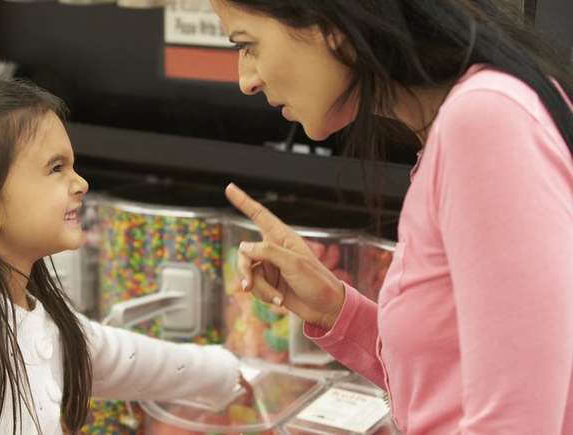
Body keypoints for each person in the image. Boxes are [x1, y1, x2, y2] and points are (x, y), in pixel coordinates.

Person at [210, 0, 573, 433]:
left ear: (331, 23)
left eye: (248, 45)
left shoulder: (483, 123)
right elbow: (448, 390)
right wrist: (337, 310)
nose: (246, 80)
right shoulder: (470, 119)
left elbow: (516, 423)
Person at [0, 79, 244, 435]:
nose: (81, 184)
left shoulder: (35, 312)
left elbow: (127, 359)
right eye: (56, 169)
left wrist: (231, 374)